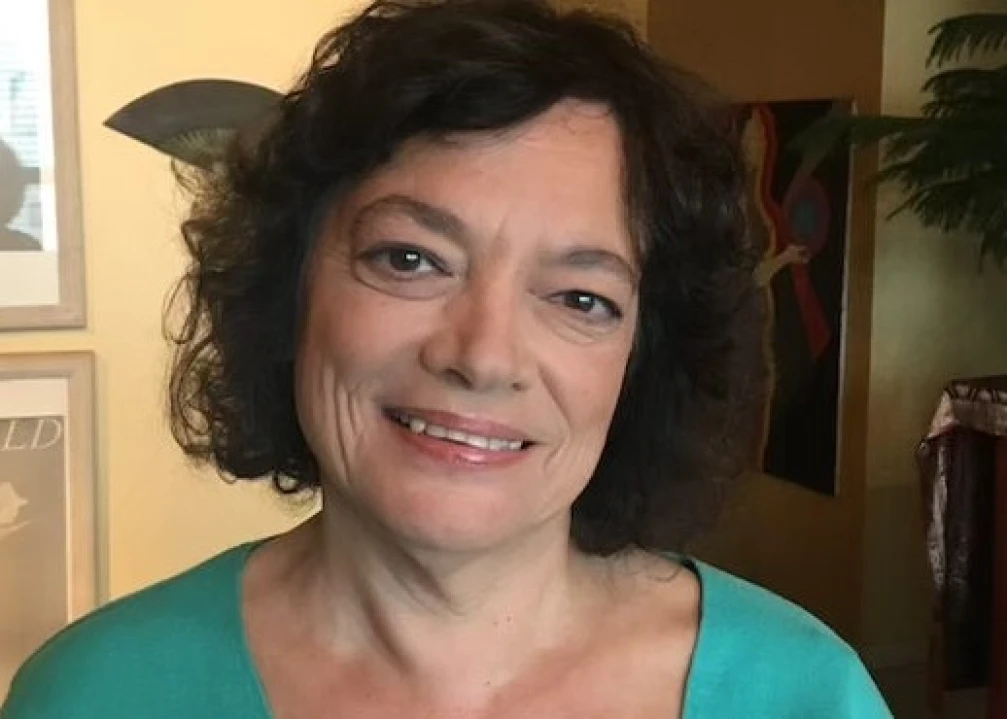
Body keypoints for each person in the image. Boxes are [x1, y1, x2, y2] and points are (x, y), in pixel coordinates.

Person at [1, 1, 893, 717]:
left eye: (580, 298)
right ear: (289, 287)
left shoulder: (803, 693)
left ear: (640, 363)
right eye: (410, 259)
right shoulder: (93, 693)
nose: (482, 355)